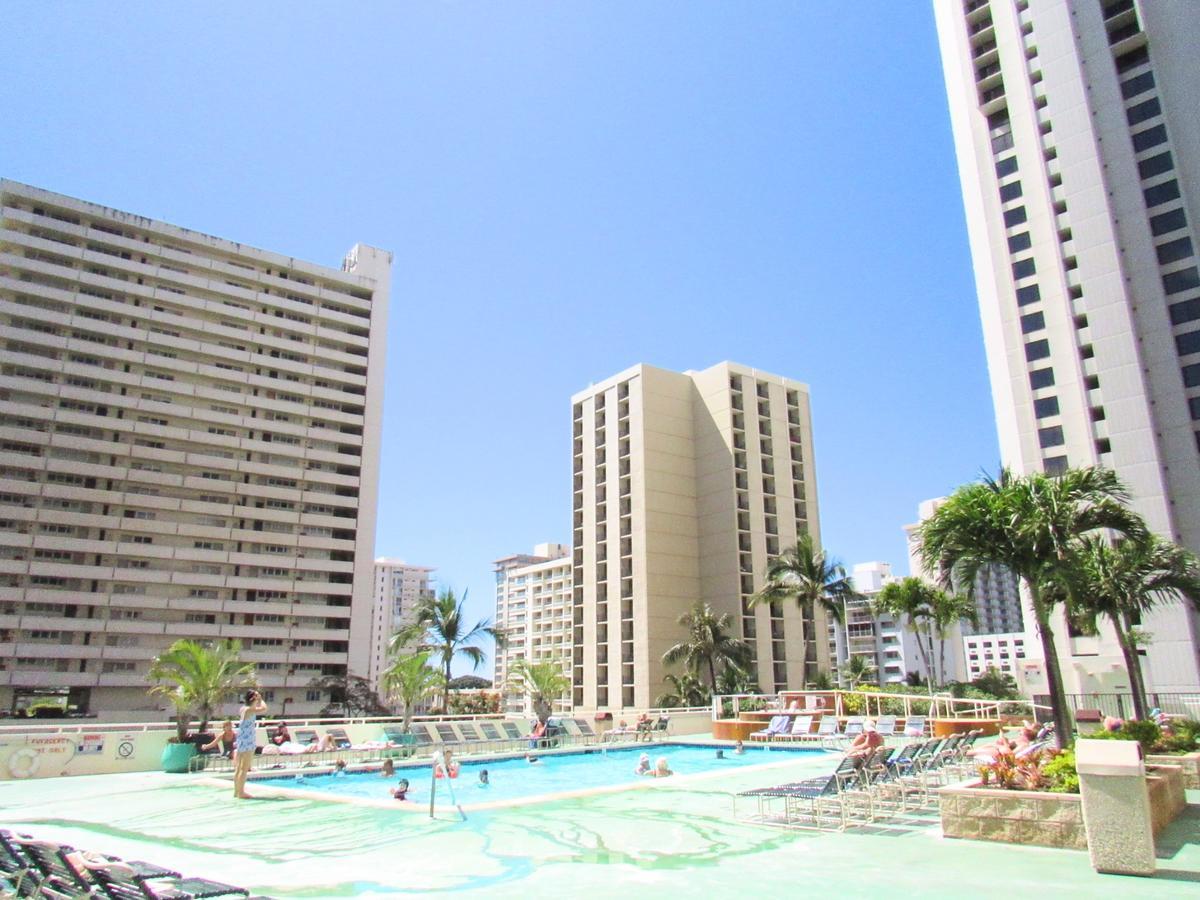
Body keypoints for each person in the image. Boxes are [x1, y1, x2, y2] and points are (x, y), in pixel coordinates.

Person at [233, 689, 267, 799]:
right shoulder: (249, 710)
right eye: (256, 697)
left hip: (241, 738)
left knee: (239, 768)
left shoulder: (243, 709)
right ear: (253, 699)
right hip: (248, 740)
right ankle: (241, 792)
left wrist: (258, 698)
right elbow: (264, 708)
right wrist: (261, 699)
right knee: (244, 768)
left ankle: (237, 791)